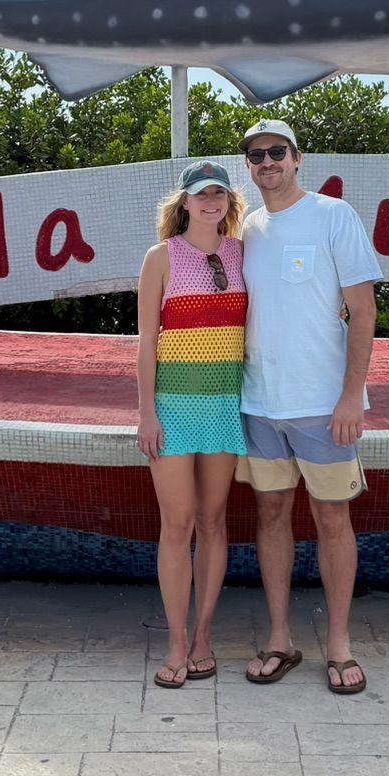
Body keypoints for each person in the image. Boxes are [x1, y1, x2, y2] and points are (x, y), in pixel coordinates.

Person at [235, 120, 382, 695]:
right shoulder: (246, 227)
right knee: (270, 517)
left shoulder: (333, 215)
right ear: (247, 165)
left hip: (324, 407)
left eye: (276, 152)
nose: (267, 161)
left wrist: (351, 396)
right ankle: (280, 640)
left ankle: (340, 646)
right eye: (256, 155)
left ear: (298, 158)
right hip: (259, 404)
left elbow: (363, 314)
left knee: (332, 519)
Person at [136, 160, 248, 689]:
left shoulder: (243, 253)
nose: (210, 201)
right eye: (201, 194)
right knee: (176, 527)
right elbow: (145, 344)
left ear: (228, 202)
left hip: (225, 406)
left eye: (219, 194)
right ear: (184, 202)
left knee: (212, 523)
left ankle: (204, 636)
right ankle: (176, 642)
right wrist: (146, 413)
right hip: (173, 412)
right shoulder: (161, 257)